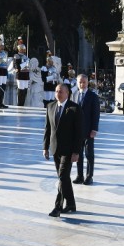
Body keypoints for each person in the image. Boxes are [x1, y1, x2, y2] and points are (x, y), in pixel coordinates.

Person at [44, 83, 83, 216]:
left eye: (60, 92)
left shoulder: (74, 108)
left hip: (69, 150)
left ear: (67, 93)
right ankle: (71, 204)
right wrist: (45, 147)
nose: (57, 94)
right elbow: (48, 129)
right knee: (64, 178)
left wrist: (77, 152)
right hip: (55, 148)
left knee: (62, 177)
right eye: (56, 91)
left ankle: (58, 207)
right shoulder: (50, 106)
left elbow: (79, 133)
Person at [72, 74, 99, 186]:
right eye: (80, 82)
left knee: (89, 154)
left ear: (87, 83)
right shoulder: (74, 95)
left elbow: (96, 114)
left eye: (84, 82)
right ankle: (80, 175)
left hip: (88, 130)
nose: (82, 84)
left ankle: (89, 176)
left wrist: (94, 129)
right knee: (78, 153)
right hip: (77, 131)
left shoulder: (93, 96)